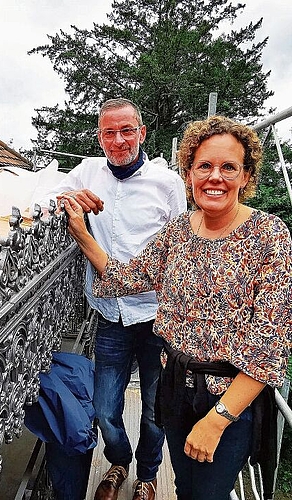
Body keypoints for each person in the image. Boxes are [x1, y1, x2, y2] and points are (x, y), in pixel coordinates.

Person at [61, 114, 292, 500]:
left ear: (246, 177)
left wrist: (217, 421)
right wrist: (83, 234)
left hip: (224, 397)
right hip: (175, 388)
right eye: (204, 166)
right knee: (185, 487)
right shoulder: (179, 230)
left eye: (228, 167)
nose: (214, 176)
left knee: (206, 493)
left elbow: (269, 348)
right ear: (189, 175)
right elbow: (128, 278)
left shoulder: (269, 236)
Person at [40, 98, 187, 500]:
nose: (119, 140)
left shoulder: (167, 183)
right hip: (109, 313)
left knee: (155, 412)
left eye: (127, 130)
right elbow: (42, 199)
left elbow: (181, 244)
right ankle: (119, 462)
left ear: (141, 132)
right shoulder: (86, 171)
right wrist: (69, 200)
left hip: (156, 315)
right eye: (109, 132)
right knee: (105, 408)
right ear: (99, 136)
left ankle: (148, 475)